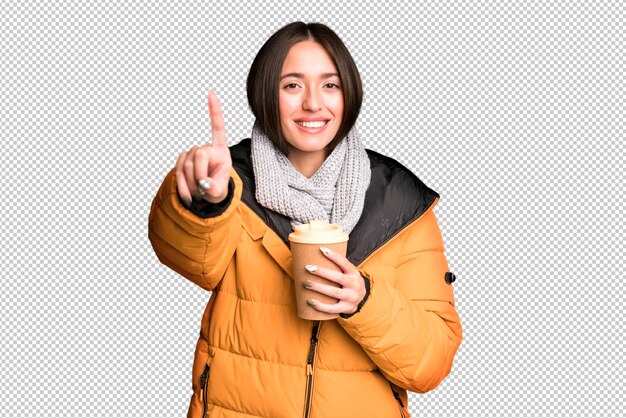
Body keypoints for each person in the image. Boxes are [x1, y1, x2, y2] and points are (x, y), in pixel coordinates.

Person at [148, 21, 462, 418]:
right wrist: (205, 202)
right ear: (266, 94)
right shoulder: (231, 182)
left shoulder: (400, 203)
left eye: (330, 85)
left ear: (349, 94)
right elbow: (191, 259)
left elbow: (430, 365)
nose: (313, 103)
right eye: (292, 85)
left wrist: (364, 300)